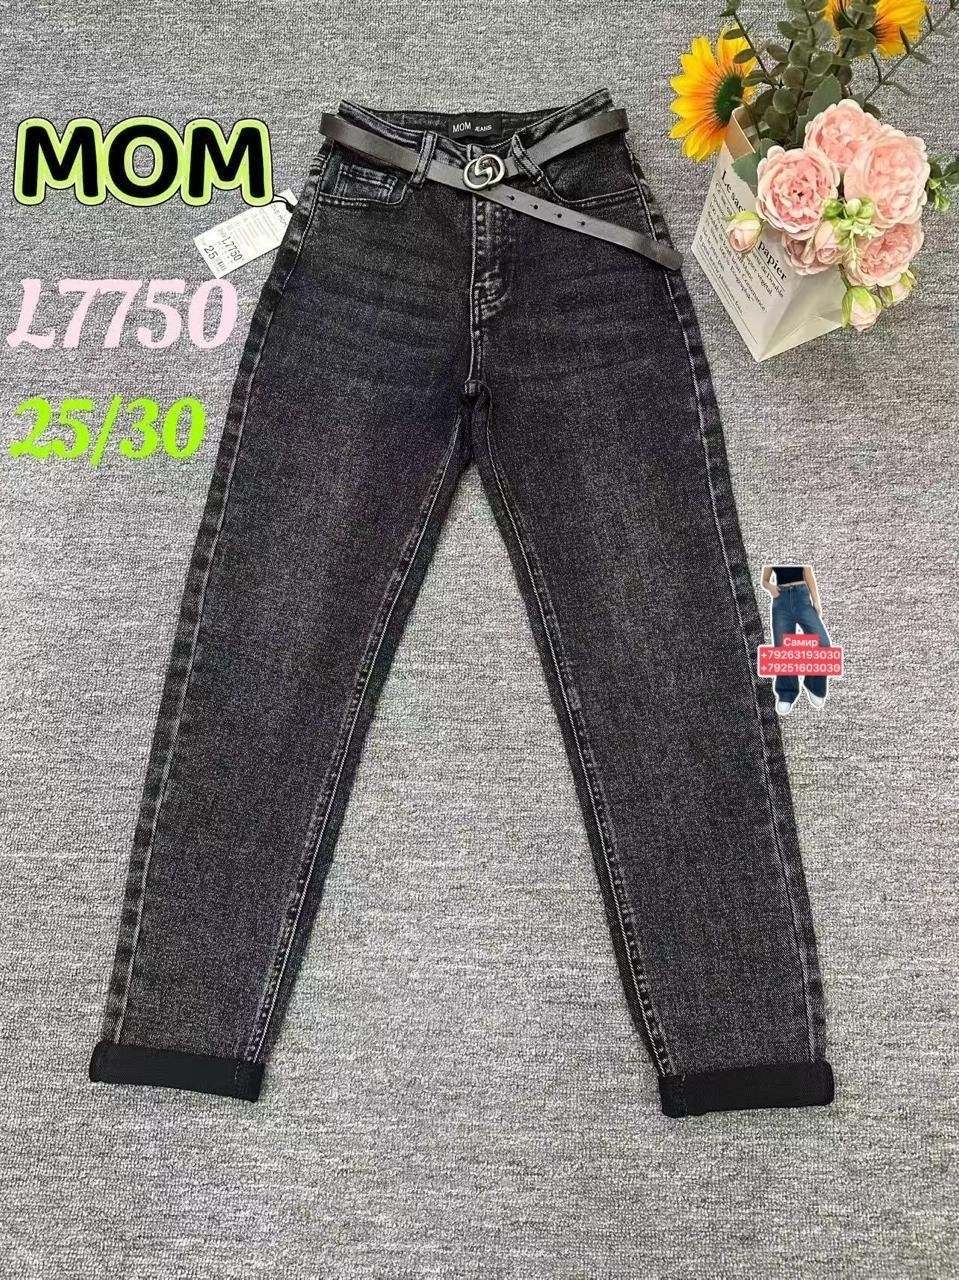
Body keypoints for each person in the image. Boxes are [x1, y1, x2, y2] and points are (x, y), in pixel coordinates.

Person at [761, 565, 832, 715]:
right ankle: (787, 692)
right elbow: (764, 580)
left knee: (823, 643)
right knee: (782, 648)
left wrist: (816, 601)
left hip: (802, 597)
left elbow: (808, 571)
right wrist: (770, 587)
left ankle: (814, 686)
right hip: (781, 599)